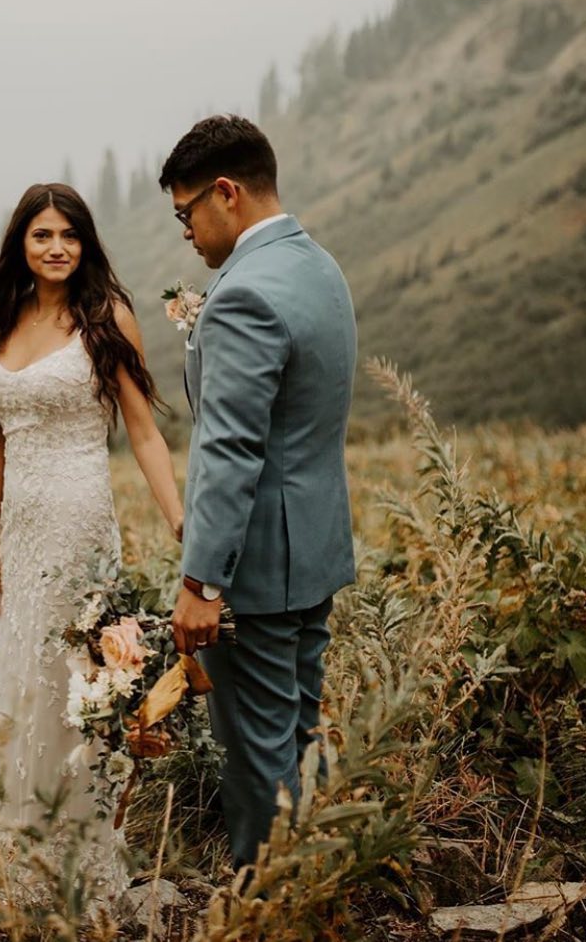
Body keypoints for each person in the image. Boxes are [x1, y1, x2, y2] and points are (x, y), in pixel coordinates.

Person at [0, 181, 184, 907]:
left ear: (84, 245)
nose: (56, 248)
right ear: (20, 245)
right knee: (20, 671)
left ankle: (78, 847)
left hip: (81, 519)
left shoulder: (104, 317)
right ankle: (21, 836)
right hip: (19, 528)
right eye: (41, 235)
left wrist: (181, 518)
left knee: (76, 680)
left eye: (69, 236)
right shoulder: (0, 318)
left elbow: (142, 429)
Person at [160, 115, 357, 871]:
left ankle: (266, 903)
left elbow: (230, 447)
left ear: (226, 193)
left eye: (185, 213)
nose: (184, 232)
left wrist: (201, 580)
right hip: (314, 547)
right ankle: (315, 884)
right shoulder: (318, 267)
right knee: (301, 737)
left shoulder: (243, 293)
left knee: (256, 762)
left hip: (256, 571)